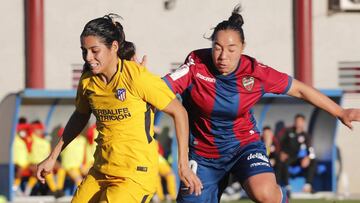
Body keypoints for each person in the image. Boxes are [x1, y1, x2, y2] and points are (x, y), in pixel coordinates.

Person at [162, 5, 360, 203]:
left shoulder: (256, 72)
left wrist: (340, 111)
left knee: (265, 194)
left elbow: (300, 89)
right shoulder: (195, 64)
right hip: (204, 156)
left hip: (243, 147)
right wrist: (134, 77)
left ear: (242, 48)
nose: (223, 56)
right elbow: (159, 88)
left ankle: (281, 196)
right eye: (217, 47)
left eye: (231, 49)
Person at [36, 14, 202, 203]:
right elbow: (79, 116)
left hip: (135, 175)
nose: (88, 57)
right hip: (100, 171)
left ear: (114, 47)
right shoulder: (87, 82)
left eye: (94, 50)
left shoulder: (137, 77)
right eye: (84, 51)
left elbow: (179, 112)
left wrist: (183, 165)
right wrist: (52, 156)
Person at [277, 114, 317, 194]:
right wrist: (281, 153)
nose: (298, 123)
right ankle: (287, 187)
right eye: (297, 121)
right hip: (288, 157)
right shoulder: (288, 132)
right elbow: (279, 144)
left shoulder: (306, 135)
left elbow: (311, 150)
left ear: (303, 123)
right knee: (283, 162)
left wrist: (308, 158)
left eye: (300, 121)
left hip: (298, 159)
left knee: (313, 161)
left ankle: (307, 186)